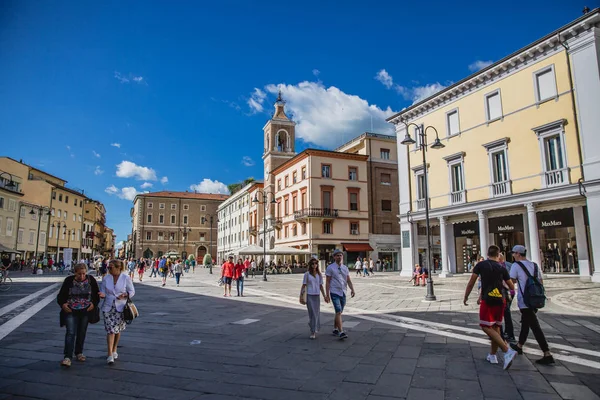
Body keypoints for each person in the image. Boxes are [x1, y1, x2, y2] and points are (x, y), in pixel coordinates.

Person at [464, 245, 517, 370]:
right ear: (498, 255)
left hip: (488, 300)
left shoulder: (481, 265)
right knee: (496, 327)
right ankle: (492, 355)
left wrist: (466, 296)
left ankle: (506, 350)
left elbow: (471, 282)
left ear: (487, 254)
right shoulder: (501, 267)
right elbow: (511, 285)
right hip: (500, 300)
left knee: (485, 326)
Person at [509, 245, 555, 365]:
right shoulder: (534, 265)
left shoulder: (516, 266)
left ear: (518, 254)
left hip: (525, 300)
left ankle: (547, 352)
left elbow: (511, 281)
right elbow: (540, 282)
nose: (513, 255)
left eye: (514, 253)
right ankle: (519, 345)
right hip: (535, 299)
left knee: (534, 326)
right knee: (526, 323)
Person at [56, 263, 100, 367]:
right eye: (79, 274)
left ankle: (79, 352)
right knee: (70, 332)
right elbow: (61, 296)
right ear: (75, 273)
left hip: (85, 310)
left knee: (81, 332)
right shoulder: (69, 280)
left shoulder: (91, 280)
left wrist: (93, 304)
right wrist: (63, 304)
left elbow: (96, 294)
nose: (82, 276)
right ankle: (67, 357)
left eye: (84, 274)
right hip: (71, 310)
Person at [99, 259, 135, 365]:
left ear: (118, 267)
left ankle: (114, 348)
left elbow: (132, 291)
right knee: (110, 330)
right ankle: (110, 354)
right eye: (108, 267)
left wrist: (125, 295)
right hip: (108, 306)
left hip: (121, 306)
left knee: (117, 330)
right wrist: (102, 295)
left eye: (111, 267)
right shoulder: (106, 278)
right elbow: (103, 291)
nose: (109, 269)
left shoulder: (125, 278)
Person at [325, 249, 355, 340]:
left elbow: (348, 280)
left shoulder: (345, 268)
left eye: (340, 255)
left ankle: (335, 329)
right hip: (334, 292)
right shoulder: (330, 268)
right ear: (334, 257)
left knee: (339, 312)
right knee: (338, 311)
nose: (339, 257)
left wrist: (352, 289)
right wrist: (327, 295)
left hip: (343, 292)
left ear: (342, 256)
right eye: (337, 255)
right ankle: (341, 332)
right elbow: (327, 282)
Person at [300, 257, 329, 339]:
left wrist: (324, 296)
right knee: (312, 313)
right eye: (312, 264)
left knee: (316, 314)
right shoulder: (307, 274)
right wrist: (301, 296)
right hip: (309, 295)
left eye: (316, 263)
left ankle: (313, 326)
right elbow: (304, 285)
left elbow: (321, 286)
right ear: (310, 265)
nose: (314, 265)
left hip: (317, 296)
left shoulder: (319, 275)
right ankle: (313, 332)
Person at [499, 253, 515, 341]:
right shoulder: (507, 266)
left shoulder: (507, 266)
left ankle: (507, 334)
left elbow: (512, 280)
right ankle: (506, 333)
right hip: (507, 291)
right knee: (505, 312)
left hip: (505, 291)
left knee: (505, 312)